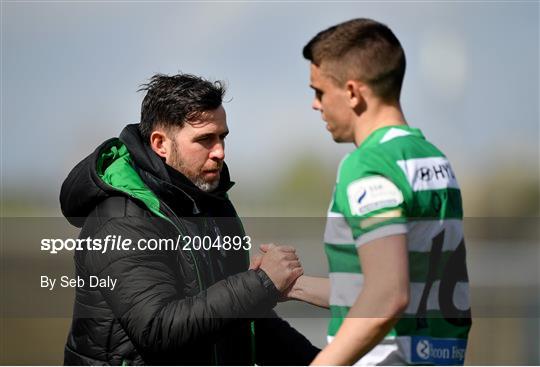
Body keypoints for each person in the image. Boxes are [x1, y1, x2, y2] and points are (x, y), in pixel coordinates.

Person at [60, 73, 319, 365]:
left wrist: (325, 361)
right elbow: (158, 330)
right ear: (160, 143)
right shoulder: (121, 219)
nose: (219, 151)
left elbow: (241, 319)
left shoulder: (212, 205)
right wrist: (260, 283)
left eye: (222, 137)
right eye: (205, 139)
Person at [279, 18, 472, 365]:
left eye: (319, 91)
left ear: (352, 92)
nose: (315, 104)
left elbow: (386, 295)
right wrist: (293, 287)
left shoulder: (368, 164)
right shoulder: (433, 160)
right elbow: (386, 287)